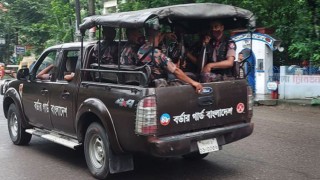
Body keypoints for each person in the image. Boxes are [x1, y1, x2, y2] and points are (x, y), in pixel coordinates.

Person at [137, 28, 203, 93]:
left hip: (148, 81)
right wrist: (194, 83)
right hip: (159, 85)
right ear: (157, 36)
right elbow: (176, 71)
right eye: (159, 36)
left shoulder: (141, 49)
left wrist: (165, 35)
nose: (160, 39)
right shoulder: (157, 53)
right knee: (190, 78)